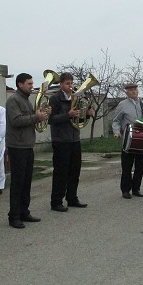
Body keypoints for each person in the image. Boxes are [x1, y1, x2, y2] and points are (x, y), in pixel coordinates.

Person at [6, 73, 48, 228]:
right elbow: (16, 121)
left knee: (26, 181)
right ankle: (14, 216)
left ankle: (24, 212)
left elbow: (31, 118)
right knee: (18, 182)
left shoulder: (26, 100)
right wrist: (36, 117)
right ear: (20, 84)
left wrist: (42, 115)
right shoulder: (13, 100)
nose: (32, 86)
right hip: (17, 146)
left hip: (27, 145)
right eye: (29, 84)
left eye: (32, 83)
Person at [48, 72, 92, 212]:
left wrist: (87, 114)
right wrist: (68, 115)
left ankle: (72, 198)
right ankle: (56, 201)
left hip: (74, 138)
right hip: (61, 140)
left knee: (75, 170)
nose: (70, 86)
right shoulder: (55, 99)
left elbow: (79, 119)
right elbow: (51, 119)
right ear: (61, 84)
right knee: (61, 172)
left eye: (71, 83)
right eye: (67, 83)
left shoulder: (77, 97)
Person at [112, 83, 143, 199]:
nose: (133, 92)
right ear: (126, 92)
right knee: (127, 166)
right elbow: (116, 121)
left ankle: (136, 188)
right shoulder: (122, 105)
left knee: (140, 166)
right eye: (130, 90)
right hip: (128, 138)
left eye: (135, 89)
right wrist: (116, 132)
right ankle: (125, 190)